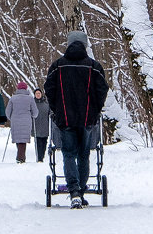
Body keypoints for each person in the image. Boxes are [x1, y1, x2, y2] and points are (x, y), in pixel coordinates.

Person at [43, 30, 109, 209]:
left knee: (68, 153)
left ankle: (73, 192)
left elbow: (49, 88)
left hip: (65, 118)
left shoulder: (58, 66)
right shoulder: (93, 66)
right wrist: (95, 109)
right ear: (85, 44)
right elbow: (102, 89)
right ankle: (80, 189)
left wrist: (57, 109)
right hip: (87, 118)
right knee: (84, 154)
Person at [5, 81, 38, 163]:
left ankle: (20, 156)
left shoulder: (13, 98)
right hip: (26, 121)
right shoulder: (30, 98)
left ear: (18, 88)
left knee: (18, 138)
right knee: (23, 139)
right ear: (26, 88)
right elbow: (35, 112)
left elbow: (7, 112)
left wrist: (11, 118)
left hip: (15, 120)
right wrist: (32, 116)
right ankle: (21, 157)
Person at [32, 87, 51, 163]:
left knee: (44, 141)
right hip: (36, 125)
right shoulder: (32, 103)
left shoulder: (46, 103)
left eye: (39, 93)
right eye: (36, 93)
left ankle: (42, 155)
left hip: (45, 125)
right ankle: (39, 157)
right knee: (37, 141)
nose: (38, 95)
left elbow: (50, 111)